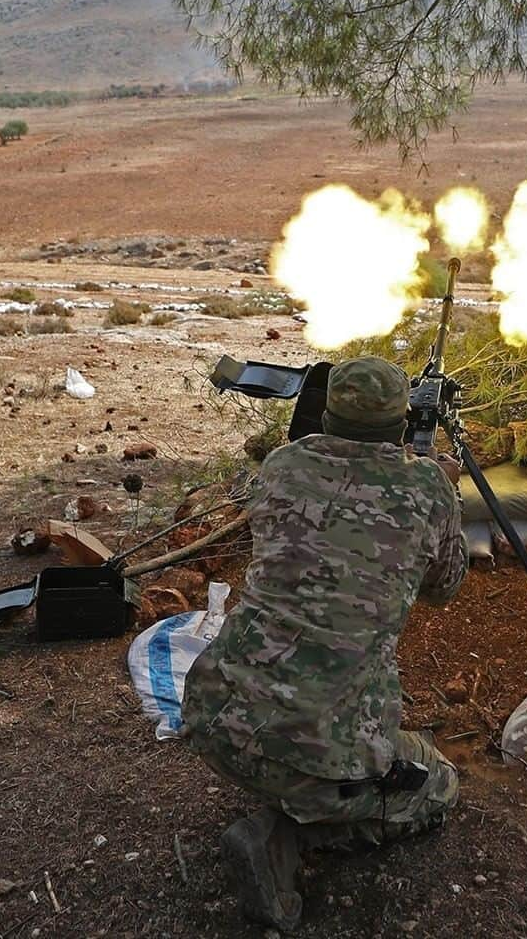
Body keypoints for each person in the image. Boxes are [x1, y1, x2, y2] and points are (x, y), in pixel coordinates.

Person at [182, 355, 469, 931]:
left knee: (388, 743)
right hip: (315, 747)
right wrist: (443, 489)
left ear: (328, 413)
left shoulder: (284, 465)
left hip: (212, 716)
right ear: (400, 421)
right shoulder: (426, 486)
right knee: (437, 784)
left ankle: (305, 792)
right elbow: (445, 587)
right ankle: (286, 837)